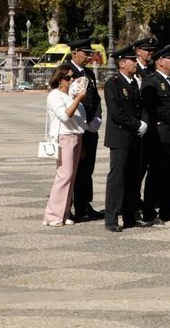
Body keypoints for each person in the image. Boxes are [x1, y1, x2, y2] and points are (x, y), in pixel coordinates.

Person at [101, 47, 148, 232]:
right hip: (120, 137)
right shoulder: (113, 83)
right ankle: (111, 218)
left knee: (133, 178)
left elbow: (139, 106)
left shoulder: (134, 83)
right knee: (117, 179)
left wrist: (143, 122)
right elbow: (116, 113)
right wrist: (137, 124)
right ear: (122, 63)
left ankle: (130, 216)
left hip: (135, 137)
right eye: (132, 61)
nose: (135, 64)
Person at [141, 45, 170, 225]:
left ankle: (168, 210)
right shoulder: (151, 81)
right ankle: (150, 211)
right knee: (156, 175)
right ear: (160, 62)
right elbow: (154, 107)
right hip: (161, 133)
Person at [43, 62, 88, 226]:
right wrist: (78, 99)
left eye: (73, 77)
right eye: (68, 77)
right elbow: (65, 115)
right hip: (63, 136)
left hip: (76, 136)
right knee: (64, 175)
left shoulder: (70, 95)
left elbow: (80, 120)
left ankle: (64, 212)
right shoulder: (55, 95)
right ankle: (52, 215)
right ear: (59, 79)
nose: (72, 80)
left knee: (71, 176)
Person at [66, 37, 104, 222]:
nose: (89, 56)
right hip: (75, 128)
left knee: (87, 168)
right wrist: (81, 122)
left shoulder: (89, 73)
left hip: (90, 128)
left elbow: (95, 99)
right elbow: (66, 100)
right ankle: (68, 206)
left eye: (90, 53)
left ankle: (84, 204)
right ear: (74, 53)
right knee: (72, 169)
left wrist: (97, 118)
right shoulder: (66, 71)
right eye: (85, 53)